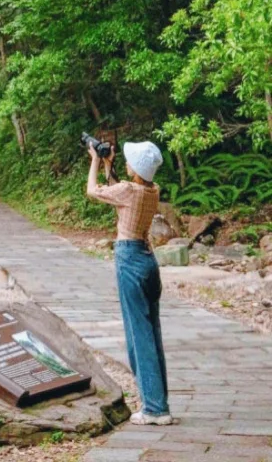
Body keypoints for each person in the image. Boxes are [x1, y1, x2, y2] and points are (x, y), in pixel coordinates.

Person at [87, 138, 174, 427]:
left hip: (129, 259)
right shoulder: (151, 190)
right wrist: (110, 166)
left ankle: (154, 409)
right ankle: (159, 403)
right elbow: (123, 190)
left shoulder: (128, 190)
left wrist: (95, 161)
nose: (125, 163)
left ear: (136, 169)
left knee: (139, 335)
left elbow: (93, 191)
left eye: (129, 161)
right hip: (149, 261)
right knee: (152, 333)